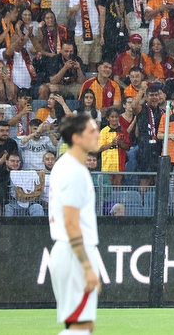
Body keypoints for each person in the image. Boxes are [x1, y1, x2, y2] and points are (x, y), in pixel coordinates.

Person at [48, 112, 102, 333]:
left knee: (83, 325)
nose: (98, 134)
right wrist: (87, 266)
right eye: (92, 131)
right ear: (77, 138)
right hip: (73, 253)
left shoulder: (67, 166)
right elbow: (71, 223)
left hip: (69, 250)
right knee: (80, 327)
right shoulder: (74, 172)